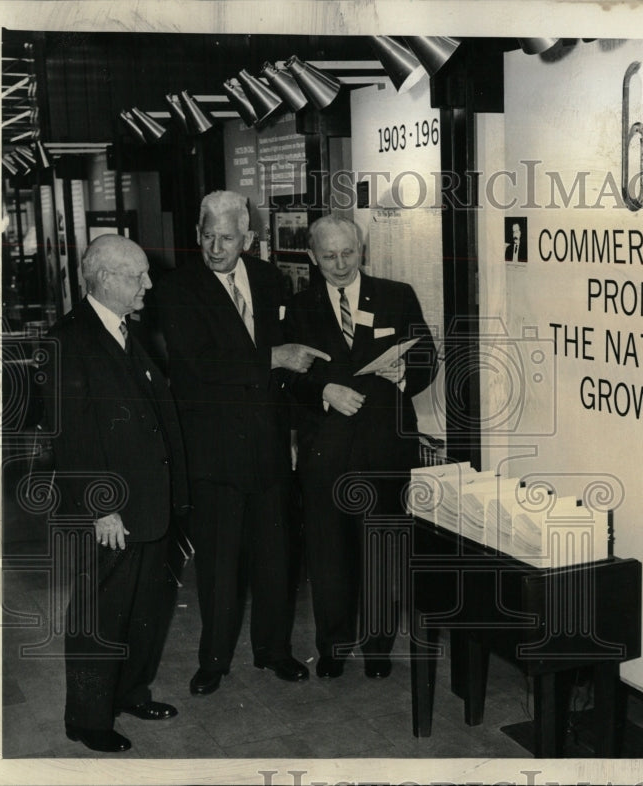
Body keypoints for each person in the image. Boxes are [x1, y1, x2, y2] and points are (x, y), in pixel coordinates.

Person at [154, 190, 328, 696]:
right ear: (197, 234)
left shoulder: (271, 279)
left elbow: (291, 364)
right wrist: (274, 358)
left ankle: (274, 650)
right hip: (213, 452)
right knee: (219, 564)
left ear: (248, 238)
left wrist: (297, 426)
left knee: (276, 556)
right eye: (207, 235)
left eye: (226, 237)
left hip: (270, 447)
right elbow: (196, 366)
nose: (215, 246)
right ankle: (214, 659)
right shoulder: (176, 289)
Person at [46, 235, 187, 753]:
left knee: (144, 608)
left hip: (148, 507)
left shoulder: (128, 332)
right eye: (139, 276)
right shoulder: (69, 339)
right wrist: (101, 507)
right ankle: (86, 718)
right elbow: (73, 437)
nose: (148, 284)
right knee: (99, 614)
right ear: (105, 278)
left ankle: (130, 692)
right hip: (111, 513)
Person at [285, 214, 437, 679]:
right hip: (325, 451)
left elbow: (426, 357)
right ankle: (332, 647)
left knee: (381, 553)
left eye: (347, 253)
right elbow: (285, 378)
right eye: (328, 256)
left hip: (385, 449)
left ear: (362, 250)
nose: (339, 263)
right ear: (312, 257)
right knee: (328, 557)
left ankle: (377, 648)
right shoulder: (297, 307)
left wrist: (406, 373)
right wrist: (322, 392)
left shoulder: (397, 295)